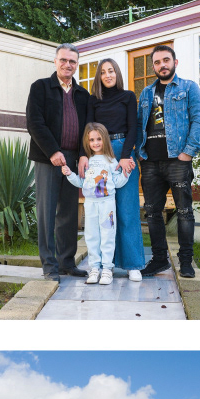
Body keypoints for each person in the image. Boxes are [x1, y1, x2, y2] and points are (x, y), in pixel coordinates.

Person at [135, 45, 200, 278]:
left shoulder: (188, 88)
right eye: (157, 62)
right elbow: (139, 125)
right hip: (150, 162)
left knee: (184, 211)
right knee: (153, 212)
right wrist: (140, 153)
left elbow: (198, 121)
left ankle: (186, 261)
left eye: (166, 60)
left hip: (177, 160)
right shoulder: (146, 93)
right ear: (153, 66)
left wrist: (188, 152)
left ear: (175, 62)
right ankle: (159, 260)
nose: (162, 65)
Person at [26, 44, 91, 279]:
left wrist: (84, 154)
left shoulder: (83, 95)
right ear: (55, 62)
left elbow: (88, 128)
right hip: (47, 158)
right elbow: (34, 123)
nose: (68, 65)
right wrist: (53, 151)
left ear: (77, 65)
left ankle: (67, 263)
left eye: (72, 61)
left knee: (69, 213)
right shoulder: (41, 87)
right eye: (63, 60)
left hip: (74, 159)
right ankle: (49, 266)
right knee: (47, 212)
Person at [81, 58, 143, 281]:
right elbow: (88, 129)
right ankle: (106, 264)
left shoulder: (127, 97)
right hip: (99, 155)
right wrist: (84, 155)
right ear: (99, 76)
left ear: (117, 73)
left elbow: (133, 127)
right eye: (103, 72)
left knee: (127, 210)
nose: (108, 75)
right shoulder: (93, 100)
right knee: (105, 215)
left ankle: (133, 264)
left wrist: (126, 156)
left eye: (111, 71)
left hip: (123, 150)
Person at [63, 123, 130, 286]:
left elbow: (118, 182)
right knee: (92, 236)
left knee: (108, 235)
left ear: (105, 139)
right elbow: (81, 182)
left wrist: (127, 173)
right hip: (90, 204)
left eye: (99, 139)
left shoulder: (111, 161)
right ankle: (94, 268)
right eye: (92, 140)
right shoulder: (86, 161)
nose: (95, 143)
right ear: (87, 142)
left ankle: (107, 269)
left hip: (107, 204)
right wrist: (69, 174)